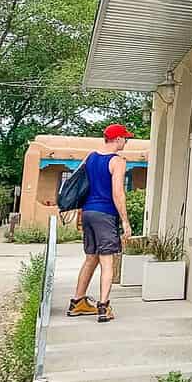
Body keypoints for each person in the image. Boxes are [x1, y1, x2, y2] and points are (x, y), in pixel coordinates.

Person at [66, 123, 135, 322]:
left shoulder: (90, 157)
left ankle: (77, 302)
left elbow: (79, 184)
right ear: (118, 139)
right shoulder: (117, 161)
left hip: (88, 212)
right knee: (107, 260)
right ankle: (103, 307)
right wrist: (125, 220)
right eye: (125, 138)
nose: (126, 142)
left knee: (91, 258)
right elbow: (118, 193)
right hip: (105, 214)